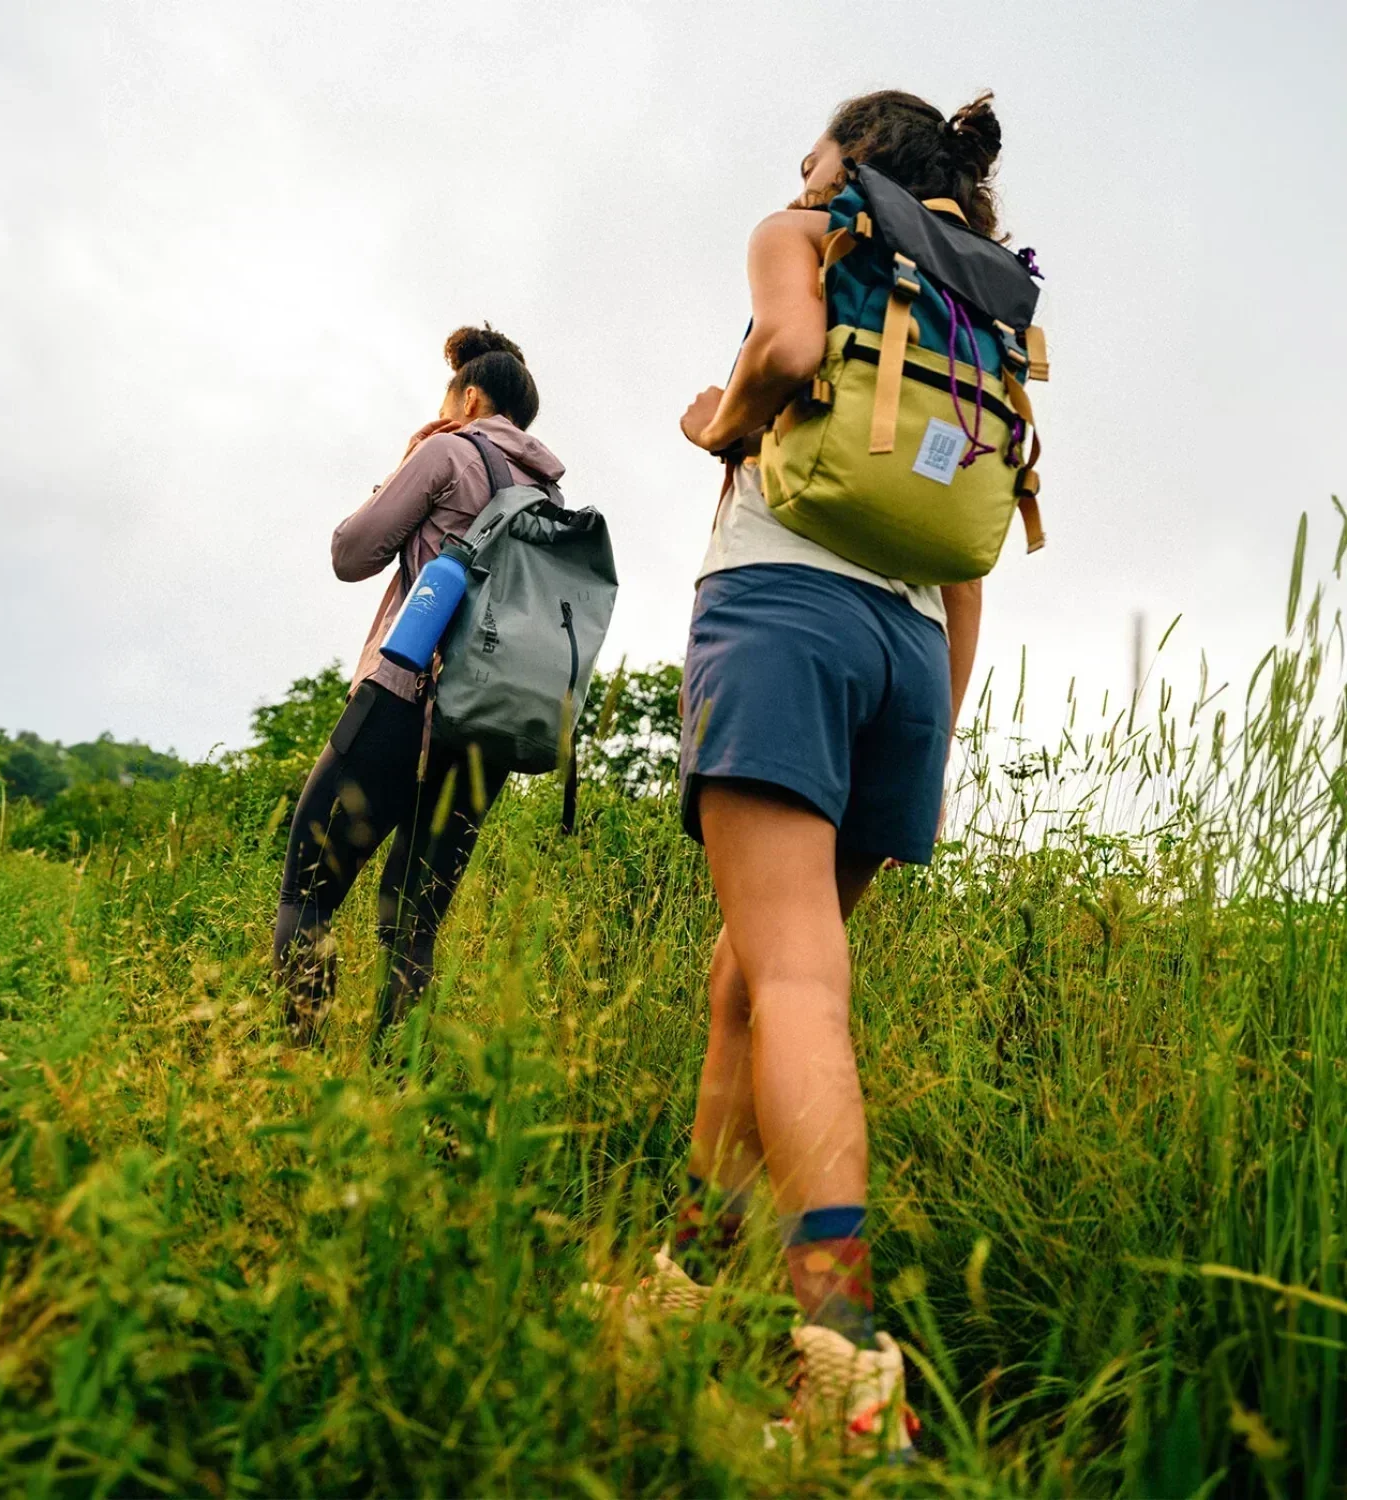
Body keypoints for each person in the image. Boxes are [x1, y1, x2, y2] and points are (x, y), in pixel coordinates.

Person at [620, 90, 1003, 1453]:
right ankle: (680, 1288)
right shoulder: (985, 301)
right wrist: (932, 730)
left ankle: (842, 1360)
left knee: (790, 981)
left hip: (784, 615)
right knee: (749, 973)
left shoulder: (810, 237)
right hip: (909, 655)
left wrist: (712, 424)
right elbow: (972, 549)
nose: (800, 176)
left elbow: (782, 347)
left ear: (854, 165)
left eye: (813, 157)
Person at [272, 325, 564, 1048]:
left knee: (306, 895)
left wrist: (406, 464)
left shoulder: (448, 449)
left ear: (469, 397)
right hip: (486, 734)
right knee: (413, 925)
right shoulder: (553, 495)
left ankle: (296, 1068)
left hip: (401, 703)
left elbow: (350, 554)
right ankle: (397, 1097)